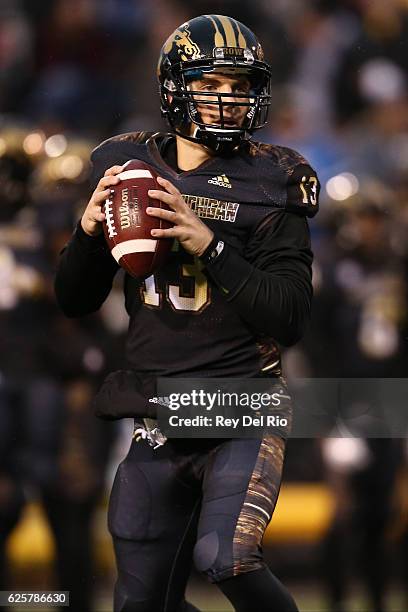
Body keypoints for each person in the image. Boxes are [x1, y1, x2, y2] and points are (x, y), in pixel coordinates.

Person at [55, 14, 319, 612]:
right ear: (176, 87)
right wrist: (88, 235)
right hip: (159, 409)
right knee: (140, 604)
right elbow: (74, 300)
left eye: (239, 85)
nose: (228, 100)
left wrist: (211, 245)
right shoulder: (127, 165)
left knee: (227, 558)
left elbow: (290, 317)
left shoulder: (274, 180)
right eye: (212, 84)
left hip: (241, 406)